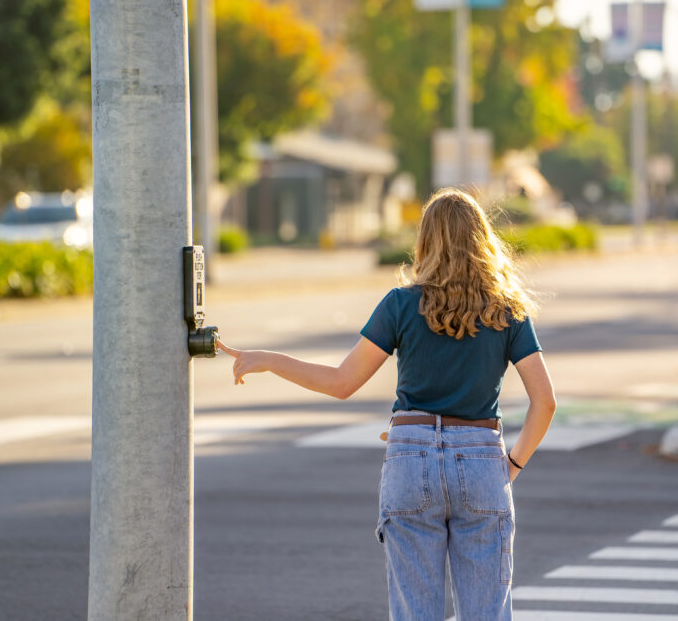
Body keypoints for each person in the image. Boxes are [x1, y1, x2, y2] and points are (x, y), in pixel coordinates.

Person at [216, 188, 556, 620]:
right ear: (482, 241)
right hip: (482, 460)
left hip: (410, 461)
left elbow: (341, 383)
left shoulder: (400, 305)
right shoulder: (507, 311)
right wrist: (512, 465)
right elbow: (544, 402)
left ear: (425, 242)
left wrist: (268, 360)